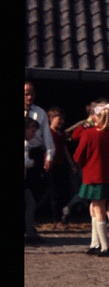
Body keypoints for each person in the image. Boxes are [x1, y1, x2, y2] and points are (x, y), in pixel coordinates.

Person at [72, 101, 109, 257]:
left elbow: (78, 157)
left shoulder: (89, 134)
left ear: (96, 117)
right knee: (95, 208)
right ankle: (95, 243)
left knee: (98, 209)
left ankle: (105, 247)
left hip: (93, 177)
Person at [24, 82, 56, 213]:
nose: (29, 97)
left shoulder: (40, 112)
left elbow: (47, 136)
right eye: (26, 94)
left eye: (31, 94)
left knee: (34, 188)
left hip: (35, 152)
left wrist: (49, 156)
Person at [46, 106, 78, 228]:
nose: (62, 122)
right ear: (51, 119)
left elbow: (65, 149)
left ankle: (62, 217)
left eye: (63, 119)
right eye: (59, 119)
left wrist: (71, 163)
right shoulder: (47, 133)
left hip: (60, 164)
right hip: (50, 166)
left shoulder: (62, 134)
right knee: (54, 193)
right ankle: (56, 219)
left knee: (63, 191)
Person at [25, 117, 44, 243]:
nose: (33, 134)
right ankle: (30, 233)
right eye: (32, 131)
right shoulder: (25, 144)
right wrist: (33, 162)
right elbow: (25, 162)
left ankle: (30, 231)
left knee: (30, 203)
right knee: (31, 204)